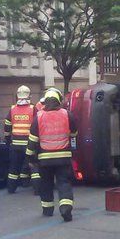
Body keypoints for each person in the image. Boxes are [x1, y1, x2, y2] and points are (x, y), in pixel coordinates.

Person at [26, 88, 78, 221]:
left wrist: (30, 157)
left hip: (45, 159)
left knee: (46, 184)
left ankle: (48, 209)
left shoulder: (38, 117)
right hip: (63, 157)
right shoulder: (67, 114)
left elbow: (32, 140)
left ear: (46, 102)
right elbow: (74, 134)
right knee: (64, 183)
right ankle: (65, 208)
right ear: (59, 100)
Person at [4, 85, 39, 194]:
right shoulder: (33, 109)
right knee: (33, 166)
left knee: (14, 167)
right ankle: (37, 190)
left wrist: (7, 139)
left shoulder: (12, 109)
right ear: (29, 96)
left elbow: (7, 125)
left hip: (15, 144)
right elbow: (37, 124)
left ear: (17, 96)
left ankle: (11, 189)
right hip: (29, 144)